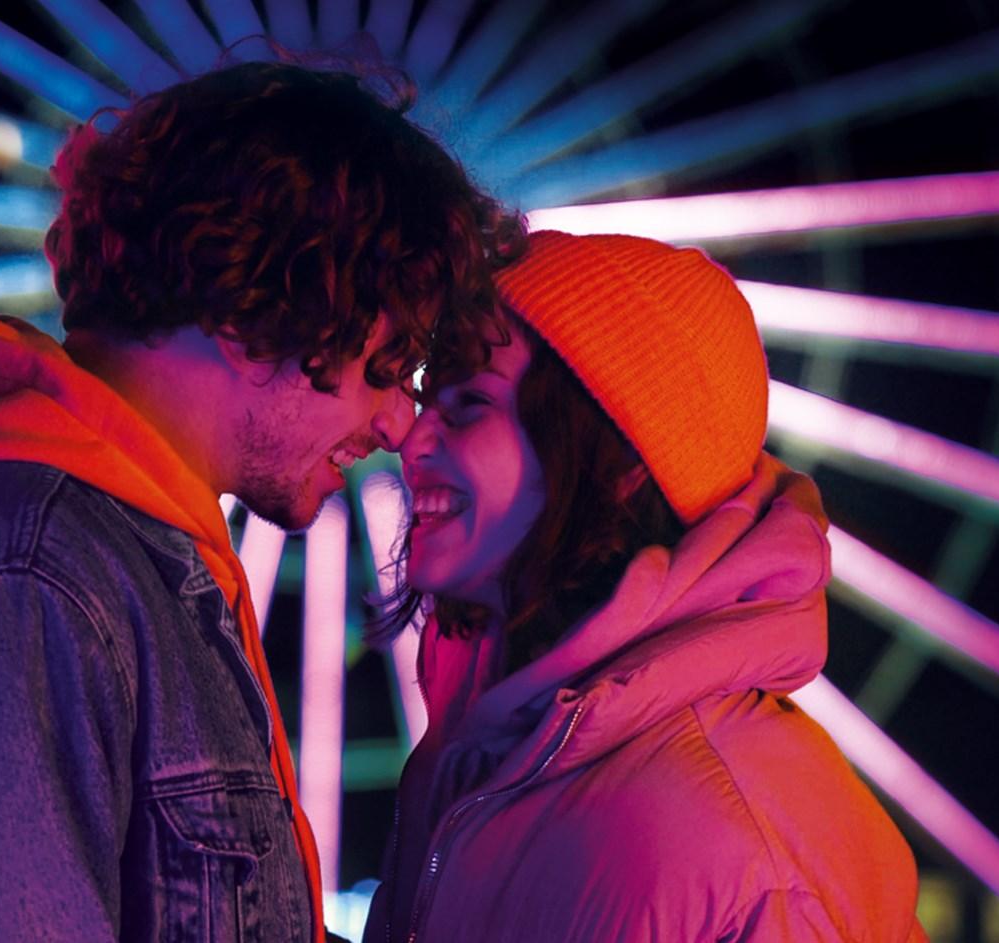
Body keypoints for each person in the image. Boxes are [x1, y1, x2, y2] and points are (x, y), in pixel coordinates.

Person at [0, 61, 516, 942]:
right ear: (259, 309)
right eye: (389, 359)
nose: (401, 419)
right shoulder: (7, 582)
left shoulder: (108, 570)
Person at [363, 231, 927, 942]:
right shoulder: (480, 760)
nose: (410, 440)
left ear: (621, 462)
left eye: (469, 401)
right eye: (428, 394)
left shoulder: (730, 848)